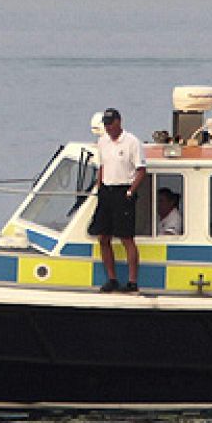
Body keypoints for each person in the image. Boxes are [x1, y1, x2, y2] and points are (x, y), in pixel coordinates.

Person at [90, 107, 145, 293]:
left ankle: (132, 281)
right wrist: (99, 187)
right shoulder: (103, 141)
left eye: (111, 124)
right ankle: (112, 278)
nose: (108, 128)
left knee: (126, 238)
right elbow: (102, 166)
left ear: (119, 122)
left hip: (123, 191)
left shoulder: (132, 142)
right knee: (103, 237)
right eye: (105, 125)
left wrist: (130, 192)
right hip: (107, 191)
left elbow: (141, 170)